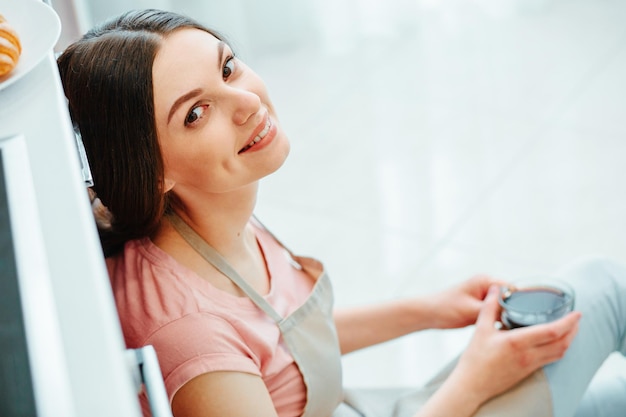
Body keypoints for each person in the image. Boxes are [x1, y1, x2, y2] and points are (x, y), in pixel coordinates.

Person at [57, 8, 626, 417]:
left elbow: (281, 348)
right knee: (608, 288)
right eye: (197, 112)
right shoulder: (193, 341)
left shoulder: (199, 213)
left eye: (228, 68)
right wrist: (474, 383)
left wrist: (429, 309)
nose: (249, 103)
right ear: (151, 169)